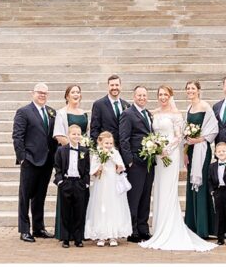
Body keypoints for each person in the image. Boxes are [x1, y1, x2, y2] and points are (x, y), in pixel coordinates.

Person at [139, 85, 217, 252]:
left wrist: (166, 148)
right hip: (159, 156)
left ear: (171, 96)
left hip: (170, 154)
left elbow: (178, 136)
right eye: (160, 94)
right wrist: (156, 148)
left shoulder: (177, 114)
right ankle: (159, 228)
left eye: (166, 94)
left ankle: (170, 227)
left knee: (168, 189)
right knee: (159, 189)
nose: (163, 97)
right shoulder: (154, 113)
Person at [12, 82, 57, 242]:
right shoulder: (24, 112)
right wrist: (22, 157)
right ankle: (24, 230)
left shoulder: (52, 112)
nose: (42, 95)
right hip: (30, 160)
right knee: (25, 196)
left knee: (40, 195)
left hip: (47, 161)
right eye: (39, 92)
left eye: (45, 93)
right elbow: (17, 136)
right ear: (33, 93)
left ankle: (39, 227)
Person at [118, 85, 155, 242]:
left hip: (149, 162)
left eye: (144, 95)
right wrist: (129, 161)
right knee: (134, 197)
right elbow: (123, 138)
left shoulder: (148, 114)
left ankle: (143, 228)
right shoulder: (127, 114)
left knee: (145, 197)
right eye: (139, 95)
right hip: (135, 163)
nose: (142, 98)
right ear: (134, 97)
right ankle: (132, 231)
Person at [52, 84, 89, 240]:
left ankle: (79, 233)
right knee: (66, 199)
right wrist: (74, 145)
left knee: (81, 200)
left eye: (78, 92)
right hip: (67, 157)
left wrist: (83, 147)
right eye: (73, 92)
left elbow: (87, 134)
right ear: (67, 96)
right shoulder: (61, 113)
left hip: (81, 158)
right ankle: (65, 233)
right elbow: (59, 135)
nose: (76, 94)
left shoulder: (85, 114)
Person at [183, 79, 218, 238]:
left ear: (198, 90)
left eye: (192, 88)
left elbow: (213, 129)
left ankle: (204, 228)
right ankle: (192, 225)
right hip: (190, 150)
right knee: (191, 186)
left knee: (201, 185)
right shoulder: (189, 108)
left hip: (202, 151)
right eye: (188, 89)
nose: (190, 91)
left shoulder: (205, 106)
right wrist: (184, 152)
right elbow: (185, 130)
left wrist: (199, 140)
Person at [85, 131, 132, 247]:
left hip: (113, 183)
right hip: (101, 184)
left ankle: (113, 235)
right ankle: (101, 235)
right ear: (100, 143)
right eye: (106, 143)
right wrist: (100, 166)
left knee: (113, 206)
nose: (109, 145)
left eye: (111, 143)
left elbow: (120, 169)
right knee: (101, 206)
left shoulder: (115, 153)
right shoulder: (97, 154)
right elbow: (93, 172)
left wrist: (116, 163)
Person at [53, 124, 90, 248]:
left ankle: (78, 238)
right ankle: (66, 238)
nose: (76, 136)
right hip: (66, 183)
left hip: (79, 183)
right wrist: (60, 182)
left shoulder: (85, 151)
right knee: (65, 212)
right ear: (68, 135)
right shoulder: (61, 150)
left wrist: (85, 183)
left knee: (79, 212)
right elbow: (57, 167)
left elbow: (87, 169)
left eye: (78, 134)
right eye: (74, 134)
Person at [90, 75, 129, 148]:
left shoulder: (126, 105)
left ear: (121, 86)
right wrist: (99, 148)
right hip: (106, 148)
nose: (114, 87)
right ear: (108, 86)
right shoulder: (99, 105)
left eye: (117, 85)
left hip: (123, 149)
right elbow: (94, 129)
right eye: (112, 85)